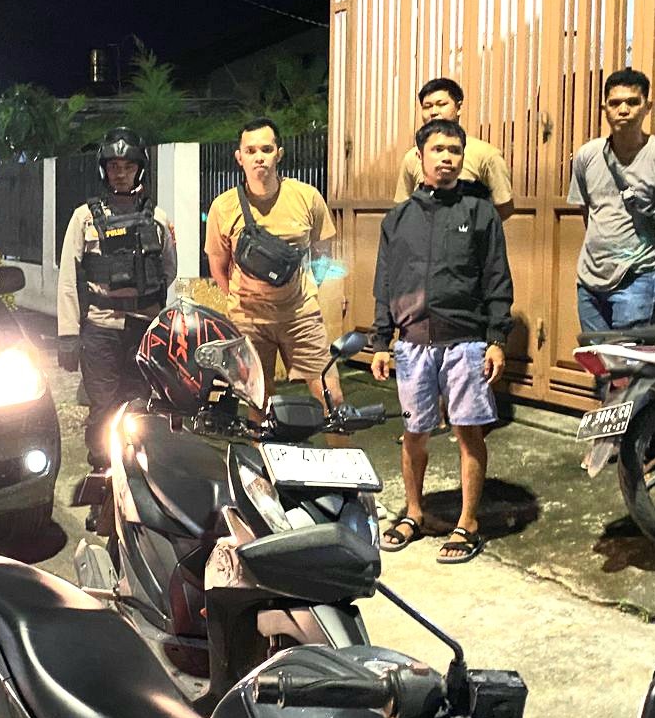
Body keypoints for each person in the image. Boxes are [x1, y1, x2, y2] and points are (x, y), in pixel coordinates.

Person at [369, 121, 513, 563]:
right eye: (437, 149)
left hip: (466, 342)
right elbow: (385, 282)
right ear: (420, 157)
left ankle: (468, 522)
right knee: (414, 433)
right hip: (412, 344)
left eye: (454, 150)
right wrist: (381, 340)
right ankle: (414, 512)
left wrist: (497, 338)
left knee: (469, 432)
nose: (447, 157)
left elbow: (496, 277)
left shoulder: (480, 212)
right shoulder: (398, 218)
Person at [56, 127, 176, 468]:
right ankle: (102, 474)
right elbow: (68, 279)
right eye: (113, 167)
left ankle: (136, 473)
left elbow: (169, 270)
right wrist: (68, 335)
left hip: (143, 329)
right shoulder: (84, 218)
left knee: (140, 405)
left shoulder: (158, 218)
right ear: (104, 170)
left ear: (140, 169)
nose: (120, 173)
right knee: (103, 409)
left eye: (128, 166)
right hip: (100, 330)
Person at [205, 119, 343, 412]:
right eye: (251, 150)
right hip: (249, 320)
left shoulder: (307, 197)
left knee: (332, 399)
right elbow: (218, 265)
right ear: (239, 157)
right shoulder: (223, 206)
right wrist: (239, 301)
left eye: (266, 149)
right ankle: (264, 445)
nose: (259, 157)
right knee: (259, 403)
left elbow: (322, 253)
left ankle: (336, 443)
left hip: (300, 315)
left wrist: (306, 291)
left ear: (279, 154)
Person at [569, 68, 655, 334]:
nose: (623, 110)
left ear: (647, 107)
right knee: (596, 357)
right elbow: (587, 210)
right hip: (590, 277)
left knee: (628, 357)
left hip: (639, 276)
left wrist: (652, 243)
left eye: (632, 102)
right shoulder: (587, 155)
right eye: (615, 103)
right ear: (604, 108)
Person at [393, 78, 515, 219]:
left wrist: (476, 226)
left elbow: (504, 205)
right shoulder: (412, 156)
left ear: (459, 108)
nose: (434, 112)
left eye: (441, 104)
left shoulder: (486, 154)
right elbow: (402, 207)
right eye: (427, 106)